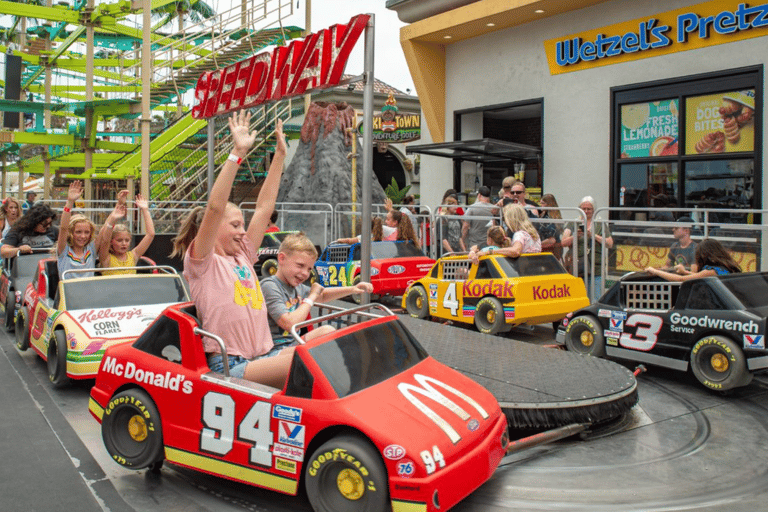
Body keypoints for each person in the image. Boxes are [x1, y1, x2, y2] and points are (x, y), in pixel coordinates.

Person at [170, 112, 289, 388]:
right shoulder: (202, 262)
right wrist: (237, 153)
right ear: (213, 230)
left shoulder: (242, 255)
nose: (243, 231)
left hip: (264, 355)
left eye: (242, 225)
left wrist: (280, 156)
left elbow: (264, 208)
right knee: (303, 361)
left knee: (327, 334)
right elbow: (214, 208)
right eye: (235, 224)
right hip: (232, 364)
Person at [261, 233, 373, 343]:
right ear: (281, 258)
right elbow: (289, 324)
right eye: (300, 265)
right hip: (275, 349)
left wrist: (353, 289)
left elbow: (322, 295)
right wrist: (312, 296)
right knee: (327, 331)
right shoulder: (269, 286)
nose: (305, 273)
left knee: (328, 331)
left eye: (309, 269)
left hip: (292, 343)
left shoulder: (296, 287)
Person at [561, 196, 613, 301]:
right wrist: (575, 236)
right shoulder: (573, 223)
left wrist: (593, 235)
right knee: (579, 299)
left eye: (589, 209)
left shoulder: (600, 224)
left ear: (594, 210)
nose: (586, 211)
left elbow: (609, 243)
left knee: (595, 299)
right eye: (583, 208)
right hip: (578, 268)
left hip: (596, 268)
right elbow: (563, 242)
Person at [57, 180, 109, 279]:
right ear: (71, 233)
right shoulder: (64, 250)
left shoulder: (91, 250)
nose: (83, 236)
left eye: (87, 232)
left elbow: (106, 227)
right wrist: (70, 202)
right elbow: (63, 228)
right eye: (78, 232)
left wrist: (117, 209)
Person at [99, 191, 156, 275]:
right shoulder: (106, 258)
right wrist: (112, 220)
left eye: (127, 240)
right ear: (112, 241)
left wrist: (145, 210)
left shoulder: (133, 256)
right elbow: (105, 241)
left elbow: (150, 234)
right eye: (119, 240)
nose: (124, 243)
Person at [469, 204, 540, 263]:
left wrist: (489, 252)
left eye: (504, 218)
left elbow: (516, 251)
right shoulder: (534, 234)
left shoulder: (519, 234)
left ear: (511, 219)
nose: (505, 222)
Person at [645, 238, 740, 281]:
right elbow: (700, 276)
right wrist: (685, 271)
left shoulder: (711, 271)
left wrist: (654, 271)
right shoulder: (726, 268)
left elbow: (680, 279)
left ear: (703, 255)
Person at [462, 186, 497, 250]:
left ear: (479, 195)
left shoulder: (472, 208)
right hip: (488, 243)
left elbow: (465, 226)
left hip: (474, 243)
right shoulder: (494, 209)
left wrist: (462, 240)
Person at [538, 193, 563, 261]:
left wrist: (536, 245)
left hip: (549, 250)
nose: (541, 206)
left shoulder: (549, 219)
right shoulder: (554, 216)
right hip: (552, 250)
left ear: (549, 204)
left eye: (543, 203)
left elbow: (552, 240)